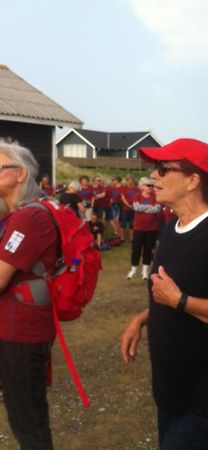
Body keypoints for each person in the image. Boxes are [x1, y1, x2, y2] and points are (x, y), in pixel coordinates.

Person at [120, 138, 208, 450]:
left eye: (164, 169)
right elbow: (167, 292)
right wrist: (142, 320)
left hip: (207, 389)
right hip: (174, 386)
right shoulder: (172, 228)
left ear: (194, 180)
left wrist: (179, 301)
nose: (154, 176)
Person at [0, 139, 59, 449]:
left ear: (20, 174)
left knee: (28, 423)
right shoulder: (15, 215)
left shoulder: (28, 218)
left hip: (21, 333)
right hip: (13, 328)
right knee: (21, 415)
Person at [126, 177, 161, 280]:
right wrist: (149, 206)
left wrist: (144, 207)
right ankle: (133, 270)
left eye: (152, 185)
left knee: (148, 250)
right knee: (136, 249)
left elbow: (157, 209)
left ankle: (145, 271)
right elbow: (136, 208)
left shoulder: (155, 196)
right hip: (139, 228)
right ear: (142, 186)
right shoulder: (137, 196)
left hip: (152, 228)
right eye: (148, 185)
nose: (150, 187)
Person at [120, 175, 139, 242]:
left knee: (132, 223)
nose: (130, 181)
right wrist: (128, 205)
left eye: (131, 180)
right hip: (126, 208)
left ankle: (132, 238)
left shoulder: (136, 189)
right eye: (128, 180)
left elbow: (138, 198)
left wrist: (135, 206)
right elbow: (123, 197)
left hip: (134, 208)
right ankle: (122, 237)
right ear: (127, 180)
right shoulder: (124, 188)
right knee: (123, 223)